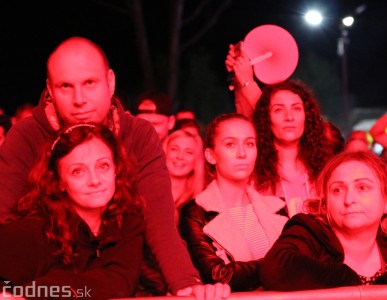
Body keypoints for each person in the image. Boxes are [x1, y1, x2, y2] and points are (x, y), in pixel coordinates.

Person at [0, 36, 229, 299]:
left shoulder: (136, 147)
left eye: (89, 83)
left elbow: (160, 226)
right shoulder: (26, 137)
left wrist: (186, 283)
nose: (79, 99)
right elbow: (5, 226)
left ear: (110, 82)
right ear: (50, 89)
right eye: (66, 86)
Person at [260, 151, 387, 291]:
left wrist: (385, 286)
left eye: (362, 187)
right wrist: (348, 281)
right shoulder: (308, 229)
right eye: (337, 190)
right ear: (325, 204)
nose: (349, 199)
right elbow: (276, 267)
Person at [0, 123, 144, 299]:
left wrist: (35, 292)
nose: (95, 180)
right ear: (59, 182)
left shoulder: (127, 221)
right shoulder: (29, 232)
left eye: (103, 166)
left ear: (116, 169)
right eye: (78, 171)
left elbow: (120, 282)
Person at [179, 113, 288, 291]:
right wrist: (280, 264)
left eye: (249, 144)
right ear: (210, 155)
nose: (242, 153)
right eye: (230, 144)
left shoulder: (277, 207)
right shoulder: (196, 212)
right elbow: (218, 275)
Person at [252, 79, 329, 217]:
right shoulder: (254, 176)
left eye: (297, 108)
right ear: (266, 119)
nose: (289, 117)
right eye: (279, 110)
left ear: (307, 116)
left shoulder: (325, 173)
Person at [164, 129, 205, 225]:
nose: (180, 157)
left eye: (189, 152)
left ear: (197, 159)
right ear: (164, 152)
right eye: (174, 149)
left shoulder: (201, 203)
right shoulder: (146, 193)